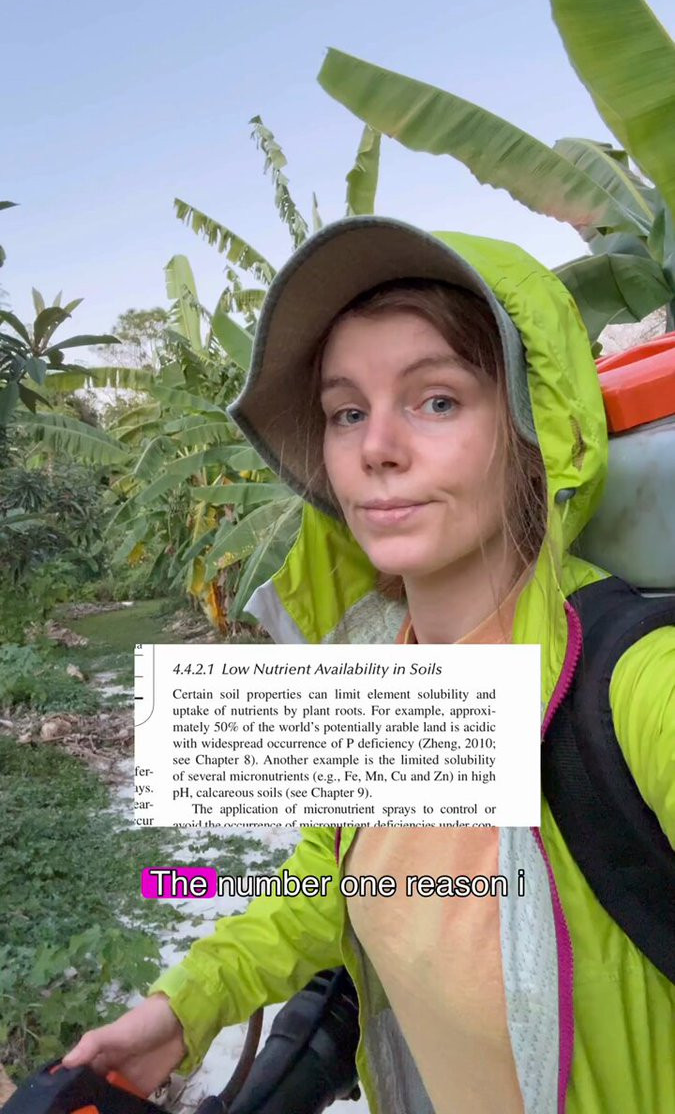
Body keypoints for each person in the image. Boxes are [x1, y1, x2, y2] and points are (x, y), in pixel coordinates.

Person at [63, 217, 675, 1113]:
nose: (375, 446)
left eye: (436, 400)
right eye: (346, 412)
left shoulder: (633, 683)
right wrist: (180, 1010)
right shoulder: (375, 666)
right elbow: (333, 880)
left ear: (534, 429)